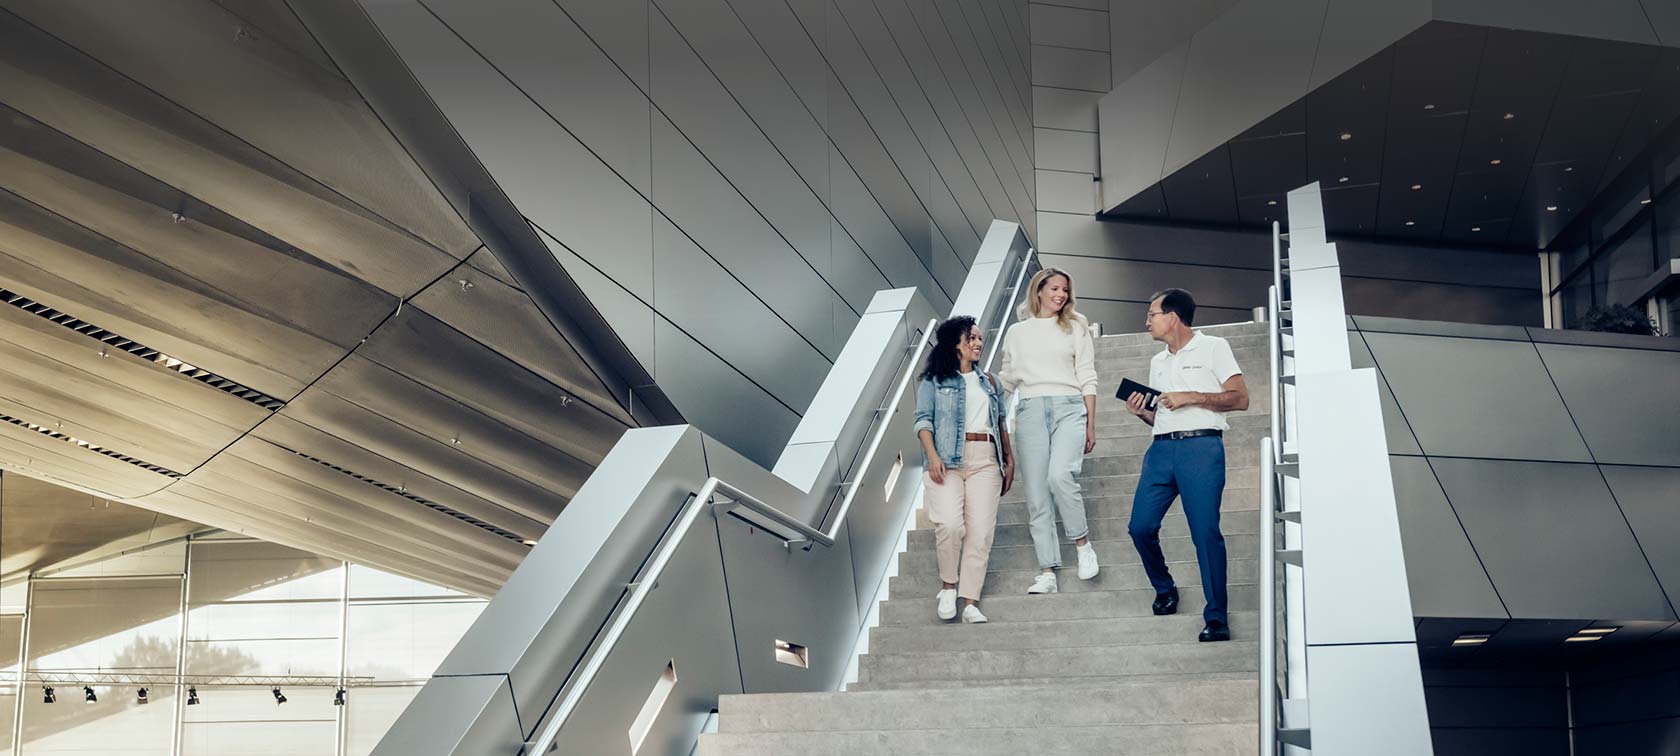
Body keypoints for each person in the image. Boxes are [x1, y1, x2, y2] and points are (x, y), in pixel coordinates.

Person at [1122, 288, 1248, 642]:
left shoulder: (1213, 347)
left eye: (1152, 315)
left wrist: (1190, 395)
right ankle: (1165, 588)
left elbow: (1241, 399)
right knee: (1139, 527)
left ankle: (1217, 617)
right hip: (1161, 451)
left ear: (1172, 317)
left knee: (1205, 532)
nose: (1147, 321)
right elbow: (1161, 418)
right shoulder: (1158, 361)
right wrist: (1141, 412)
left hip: (1202, 449)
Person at [998, 268, 1099, 595]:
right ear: (1038, 290)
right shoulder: (1016, 332)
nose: (1061, 295)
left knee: (1060, 476)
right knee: (1037, 495)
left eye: (1065, 291)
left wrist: (1091, 423)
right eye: (1054, 288)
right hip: (1029, 409)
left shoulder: (1075, 326)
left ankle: (1083, 545)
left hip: (1070, 406)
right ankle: (1047, 571)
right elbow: (1008, 378)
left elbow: (1087, 375)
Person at [914, 316, 1014, 624]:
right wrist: (932, 457)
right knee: (950, 524)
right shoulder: (933, 381)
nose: (978, 343)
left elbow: (999, 422)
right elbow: (923, 421)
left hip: (986, 459)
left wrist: (1009, 459)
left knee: (980, 532)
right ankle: (948, 586)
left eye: (980, 338)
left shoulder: (990, 381)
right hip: (946, 461)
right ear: (954, 342)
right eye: (971, 337)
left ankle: (970, 601)